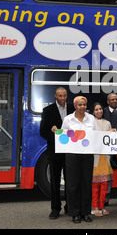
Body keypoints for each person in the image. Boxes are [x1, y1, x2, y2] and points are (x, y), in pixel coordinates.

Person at [61, 96, 98, 223]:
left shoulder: (91, 119)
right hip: (72, 155)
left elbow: (96, 135)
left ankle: (85, 213)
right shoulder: (68, 119)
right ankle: (75, 213)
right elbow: (63, 136)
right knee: (73, 184)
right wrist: (57, 131)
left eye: (85, 105)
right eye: (80, 105)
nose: (83, 107)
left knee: (86, 183)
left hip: (87, 155)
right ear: (75, 106)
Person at [39, 87, 74, 220]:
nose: (62, 98)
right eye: (60, 95)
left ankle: (70, 206)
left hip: (70, 150)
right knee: (55, 181)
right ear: (55, 96)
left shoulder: (73, 108)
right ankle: (55, 208)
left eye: (64, 95)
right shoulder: (48, 111)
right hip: (55, 151)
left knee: (70, 180)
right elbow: (42, 131)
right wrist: (54, 134)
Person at [91, 102, 115, 217]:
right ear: (92, 112)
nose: (99, 111)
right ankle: (95, 207)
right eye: (96, 109)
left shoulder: (107, 123)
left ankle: (102, 206)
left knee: (105, 184)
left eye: (100, 109)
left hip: (105, 158)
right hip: (95, 158)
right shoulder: (90, 123)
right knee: (95, 185)